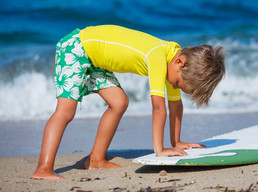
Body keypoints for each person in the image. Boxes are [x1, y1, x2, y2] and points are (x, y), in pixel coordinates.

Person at [31, 25, 226, 180]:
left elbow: (175, 104)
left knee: (119, 102)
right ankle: (43, 168)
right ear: (180, 63)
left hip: (95, 60)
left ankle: (96, 160)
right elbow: (158, 106)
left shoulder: (174, 58)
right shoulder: (158, 56)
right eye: (176, 83)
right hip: (76, 48)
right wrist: (160, 150)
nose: (173, 86)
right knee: (66, 111)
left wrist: (176, 142)